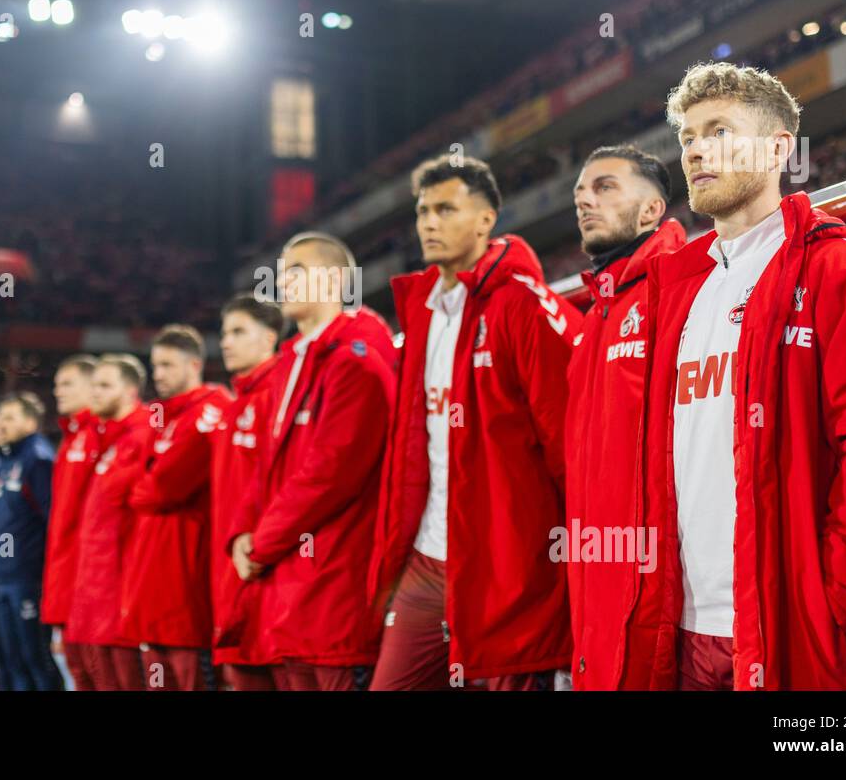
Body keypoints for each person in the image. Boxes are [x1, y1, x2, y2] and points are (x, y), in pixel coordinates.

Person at [641, 61, 846, 689]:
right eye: (687, 137)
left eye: (718, 131)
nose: (694, 150)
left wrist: (833, 601)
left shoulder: (843, 265)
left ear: (778, 147)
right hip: (685, 631)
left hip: (794, 625)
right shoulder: (678, 291)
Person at [369, 156, 579, 690]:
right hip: (428, 557)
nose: (429, 223)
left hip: (506, 558)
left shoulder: (523, 306)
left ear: (486, 219)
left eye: (445, 209)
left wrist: (575, 560)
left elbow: (567, 445)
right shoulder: (420, 309)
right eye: (422, 211)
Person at [230, 231, 397, 691]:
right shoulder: (290, 363)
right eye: (282, 273)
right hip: (290, 585)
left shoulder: (357, 360)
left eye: (297, 271)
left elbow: (332, 473)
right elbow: (267, 465)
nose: (284, 282)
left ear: (337, 279)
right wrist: (241, 534)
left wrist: (260, 544)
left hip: (337, 580)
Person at [564, 145, 685, 690]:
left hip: (667, 598)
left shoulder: (682, 288)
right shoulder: (594, 320)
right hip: (598, 585)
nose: (585, 200)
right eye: (580, 193)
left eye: (605, 187)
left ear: (652, 211)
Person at [123, 325, 234, 690]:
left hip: (188, 581)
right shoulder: (164, 415)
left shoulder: (213, 408)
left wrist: (145, 487)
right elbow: (141, 482)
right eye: (155, 366)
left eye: (168, 365)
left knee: (194, 680)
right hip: (155, 580)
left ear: (194, 364)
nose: (159, 375)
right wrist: (146, 485)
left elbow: (166, 486)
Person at [64, 354, 153, 690]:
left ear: (130, 390)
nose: (95, 393)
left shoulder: (143, 436)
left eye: (104, 385)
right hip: (95, 590)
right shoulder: (108, 440)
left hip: (122, 592)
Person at [210, 294, 284, 691]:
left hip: (263, 573)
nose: (225, 342)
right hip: (230, 577)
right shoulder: (236, 404)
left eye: (238, 331)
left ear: (270, 337)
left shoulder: (281, 393)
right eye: (224, 332)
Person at [0, 392, 62, 691]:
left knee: (36, 660)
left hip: (28, 578)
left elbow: (53, 520)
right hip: (5, 577)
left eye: (8, 417)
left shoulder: (38, 459)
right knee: (13, 660)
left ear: (31, 422)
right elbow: (5, 517)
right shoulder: (9, 462)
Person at [43, 355, 101, 690]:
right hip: (67, 574)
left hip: (89, 577)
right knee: (77, 671)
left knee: (98, 672)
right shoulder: (71, 438)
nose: (57, 391)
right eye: (56, 385)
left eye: (67, 384)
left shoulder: (99, 434)